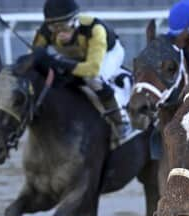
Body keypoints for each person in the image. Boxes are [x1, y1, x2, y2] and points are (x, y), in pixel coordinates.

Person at [32, 0, 134, 143]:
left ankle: (121, 121)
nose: (60, 32)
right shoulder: (45, 32)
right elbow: (33, 57)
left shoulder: (95, 29)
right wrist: (37, 56)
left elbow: (92, 69)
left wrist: (57, 62)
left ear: (75, 20)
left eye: (64, 26)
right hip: (77, 57)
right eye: (54, 27)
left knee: (94, 79)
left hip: (108, 54)